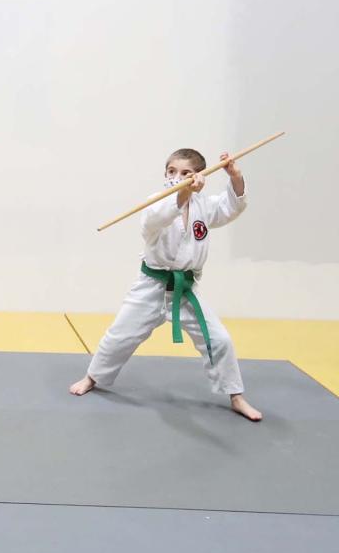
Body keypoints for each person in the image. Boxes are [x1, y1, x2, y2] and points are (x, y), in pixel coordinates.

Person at [69, 148, 262, 422]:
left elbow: (232, 208)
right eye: (172, 172)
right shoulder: (157, 202)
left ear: (200, 176)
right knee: (120, 336)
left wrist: (235, 177)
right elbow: (154, 221)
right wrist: (181, 194)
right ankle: (92, 377)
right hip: (151, 287)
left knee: (219, 339)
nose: (177, 177)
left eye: (185, 173)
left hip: (185, 291)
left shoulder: (204, 206)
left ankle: (235, 395)